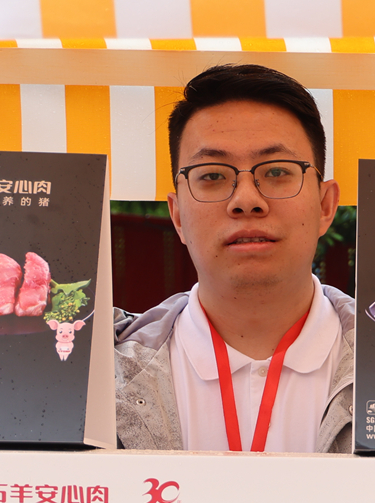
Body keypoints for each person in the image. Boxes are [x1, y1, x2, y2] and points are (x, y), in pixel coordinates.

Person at [115, 63, 354, 452]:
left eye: (277, 171)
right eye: (212, 176)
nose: (246, 200)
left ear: (326, 206)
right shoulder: (94, 376)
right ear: (178, 216)